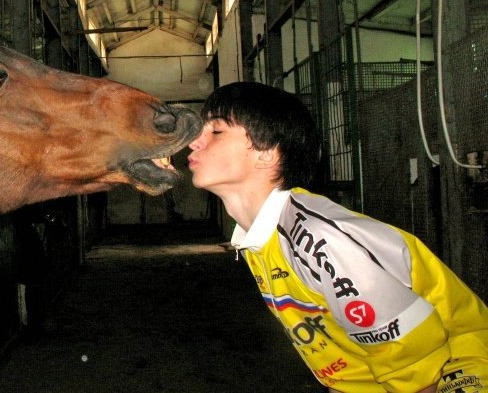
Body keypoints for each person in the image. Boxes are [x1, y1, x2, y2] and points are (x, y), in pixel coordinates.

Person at [187, 81, 488, 392]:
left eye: (216, 131)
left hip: (458, 366)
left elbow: (417, 371)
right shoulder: (259, 239)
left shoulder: (318, 240)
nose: (195, 141)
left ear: (267, 154)